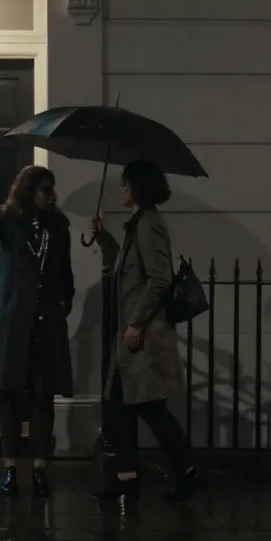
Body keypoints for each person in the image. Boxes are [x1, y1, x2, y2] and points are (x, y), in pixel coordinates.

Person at [0, 161, 75, 497]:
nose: (51, 196)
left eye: (52, 190)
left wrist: (65, 302)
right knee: (9, 397)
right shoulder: (6, 221)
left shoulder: (59, 226)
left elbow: (65, 273)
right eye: (44, 190)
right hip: (13, 320)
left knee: (43, 396)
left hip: (47, 321)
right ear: (29, 191)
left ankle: (39, 468)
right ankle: (9, 467)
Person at [89, 159, 199, 509]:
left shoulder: (149, 224)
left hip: (144, 338)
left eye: (125, 183)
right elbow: (127, 271)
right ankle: (126, 479)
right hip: (132, 337)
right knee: (120, 408)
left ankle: (187, 473)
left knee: (152, 411)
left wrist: (136, 324)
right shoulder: (137, 224)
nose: (120, 189)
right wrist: (104, 239)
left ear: (139, 187)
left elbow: (159, 279)